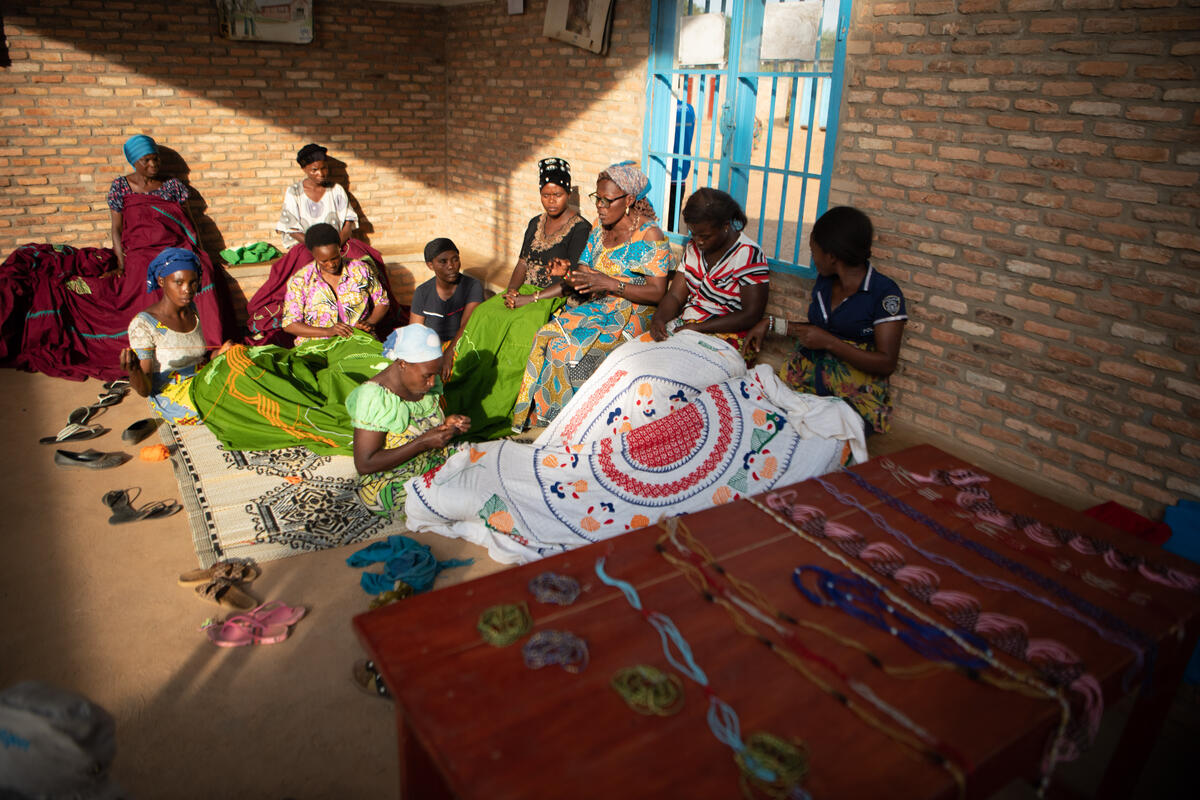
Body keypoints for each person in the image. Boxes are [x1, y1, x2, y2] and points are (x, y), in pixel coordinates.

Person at [511, 160, 672, 430]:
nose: (600, 206)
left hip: (633, 312)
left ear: (629, 200)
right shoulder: (599, 228)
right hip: (599, 306)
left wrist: (610, 283)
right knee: (545, 335)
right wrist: (567, 273)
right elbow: (584, 273)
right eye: (597, 198)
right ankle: (542, 419)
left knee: (567, 351)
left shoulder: (649, 235)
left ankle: (569, 426)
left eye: (607, 201)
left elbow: (657, 293)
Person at [443, 157, 592, 439]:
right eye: (546, 195)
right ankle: (466, 388)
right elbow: (522, 263)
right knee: (486, 314)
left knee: (520, 329)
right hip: (525, 293)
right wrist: (511, 291)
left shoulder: (580, 228)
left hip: (553, 297)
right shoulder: (535, 223)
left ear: (567, 193)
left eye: (557, 194)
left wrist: (530, 299)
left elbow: (571, 279)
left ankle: (502, 403)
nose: (551, 201)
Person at [746, 206, 907, 434]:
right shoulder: (826, 283)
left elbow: (886, 363)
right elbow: (816, 330)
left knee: (811, 438)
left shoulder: (883, 293)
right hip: (805, 385)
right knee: (756, 415)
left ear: (831, 257)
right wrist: (770, 324)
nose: (813, 259)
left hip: (854, 398)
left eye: (814, 252)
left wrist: (830, 343)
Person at [347, 324, 471, 519]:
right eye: (427, 376)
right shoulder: (374, 397)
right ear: (403, 363)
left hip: (429, 462)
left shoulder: (424, 382)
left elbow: (423, 426)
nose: (432, 382)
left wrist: (448, 425)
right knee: (458, 502)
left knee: (482, 464)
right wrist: (422, 444)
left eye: (435, 373)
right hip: (391, 480)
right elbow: (365, 463)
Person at [648, 187, 768, 353]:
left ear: (725, 225)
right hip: (687, 326)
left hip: (725, 336)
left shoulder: (748, 254)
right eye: (693, 233)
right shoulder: (693, 248)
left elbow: (751, 314)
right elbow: (675, 295)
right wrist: (659, 319)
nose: (698, 241)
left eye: (705, 236)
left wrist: (699, 328)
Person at [120, 248, 232, 422]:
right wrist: (133, 370)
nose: (187, 290)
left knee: (250, 380)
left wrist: (222, 352)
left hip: (201, 378)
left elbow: (196, 358)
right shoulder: (143, 325)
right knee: (231, 404)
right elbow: (145, 390)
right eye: (178, 282)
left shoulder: (191, 309)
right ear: (161, 281)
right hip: (173, 394)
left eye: (193, 282)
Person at [281, 223, 390, 344]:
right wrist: (328, 331)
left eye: (335, 258)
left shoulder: (360, 270)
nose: (331, 264)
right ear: (313, 255)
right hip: (318, 345)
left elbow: (382, 301)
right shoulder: (300, 280)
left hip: (359, 340)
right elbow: (290, 324)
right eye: (324, 261)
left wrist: (369, 323)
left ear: (339, 248)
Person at [106, 134, 192, 277]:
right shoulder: (121, 186)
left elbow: (189, 223)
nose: (153, 164)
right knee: (142, 277)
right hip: (140, 251)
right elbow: (116, 228)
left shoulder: (172, 185)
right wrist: (121, 265)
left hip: (174, 248)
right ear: (134, 161)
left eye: (156, 158)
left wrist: (199, 251)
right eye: (146, 160)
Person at [409, 238, 484, 358]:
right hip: (430, 350)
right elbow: (415, 332)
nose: (451, 266)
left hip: (461, 346)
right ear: (430, 265)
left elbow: (467, 327)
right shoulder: (422, 292)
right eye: (443, 262)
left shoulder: (472, 286)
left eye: (455, 260)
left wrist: (449, 354)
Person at [275, 143, 358, 251]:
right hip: (306, 246)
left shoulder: (336, 190)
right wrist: (318, 249)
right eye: (314, 170)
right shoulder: (294, 192)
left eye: (324, 168)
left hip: (337, 245)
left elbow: (348, 222)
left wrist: (336, 246)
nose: (321, 173)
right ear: (304, 169)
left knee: (361, 257)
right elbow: (290, 228)